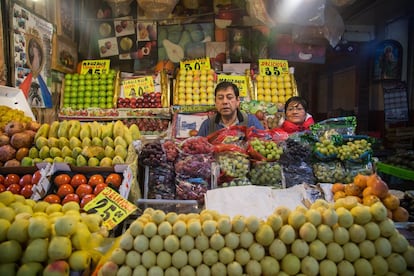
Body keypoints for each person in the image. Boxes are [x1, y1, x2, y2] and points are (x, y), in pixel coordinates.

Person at [197, 81, 264, 137]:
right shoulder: (208, 125)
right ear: (215, 102)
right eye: (220, 98)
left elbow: (265, 142)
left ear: (237, 101)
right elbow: (197, 148)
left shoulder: (251, 121)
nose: (225, 102)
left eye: (229, 97)